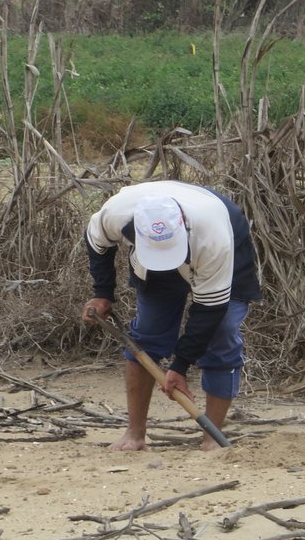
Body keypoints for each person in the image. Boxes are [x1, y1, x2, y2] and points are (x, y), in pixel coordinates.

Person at [81, 179, 261, 451]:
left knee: (221, 333)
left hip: (221, 236)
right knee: (148, 334)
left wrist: (179, 366)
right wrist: (103, 292)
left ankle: (212, 439)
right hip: (153, 256)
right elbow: (97, 242)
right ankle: (134, 434)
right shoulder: (116, 214)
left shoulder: (214, 238)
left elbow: (210, 310)